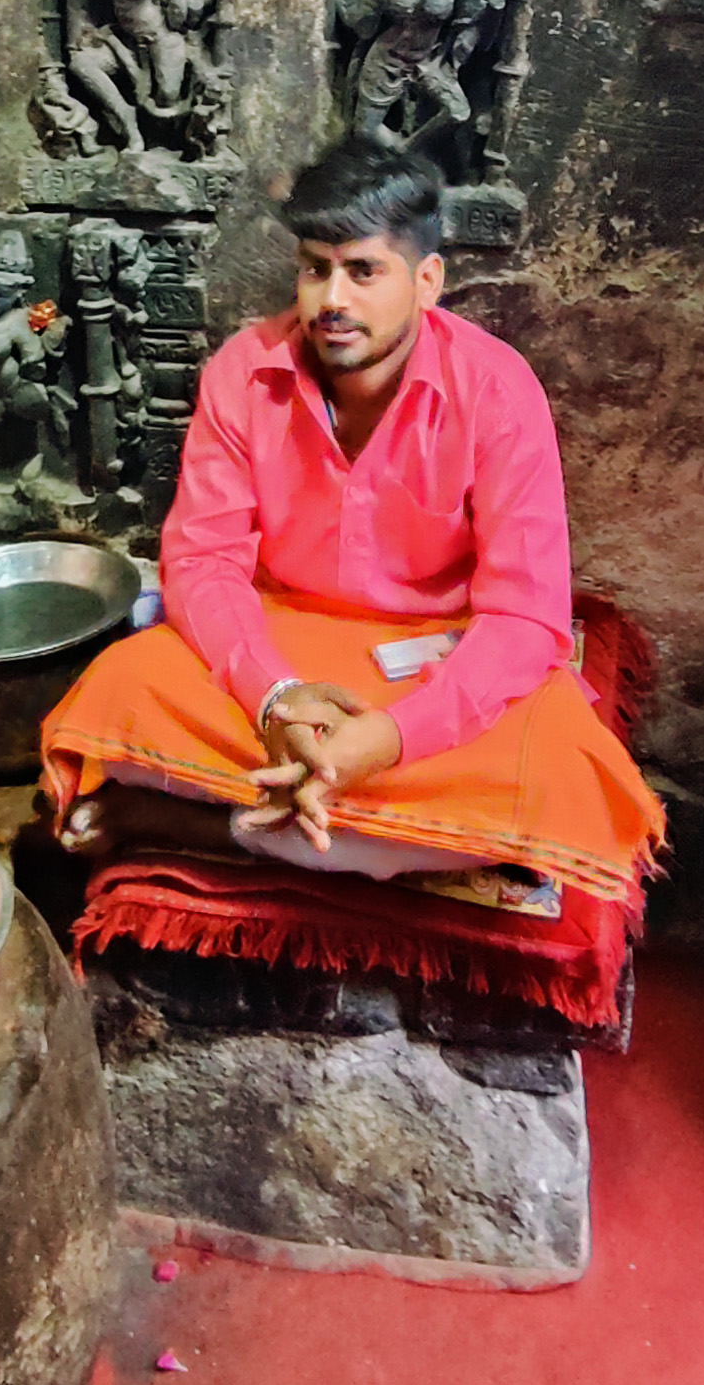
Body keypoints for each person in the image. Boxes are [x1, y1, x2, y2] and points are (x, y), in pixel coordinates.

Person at [41, 141, 662, 904]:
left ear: (426, 280)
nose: (330, 298)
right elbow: (202, 562)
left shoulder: (498, 391)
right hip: (280, 648)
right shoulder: (243, 371)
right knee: (124, 683)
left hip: (427, 666)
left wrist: (389, 739)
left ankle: (201, 823)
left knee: (558, 769)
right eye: (314, 267)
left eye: (362, 270)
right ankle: (374, 834)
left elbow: (525, 619)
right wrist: (274, 701)